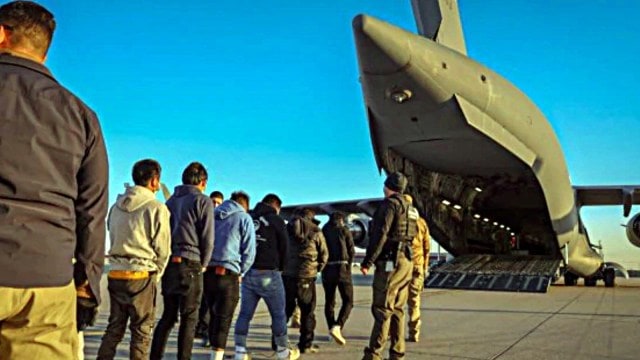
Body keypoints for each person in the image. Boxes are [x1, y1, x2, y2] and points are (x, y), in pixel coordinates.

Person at [0, 2, 108, 359]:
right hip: (47, 279)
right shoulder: (81, 115)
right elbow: (92, 209)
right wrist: (87, 285)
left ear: (2, 34)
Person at [97, 159, 171, 359]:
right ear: (155, 181)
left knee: (114, 329)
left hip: (116, 272)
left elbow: (110, 231)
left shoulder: (116, 206)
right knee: (141, 333)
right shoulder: (157, 207)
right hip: (141, 274)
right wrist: (157, 273)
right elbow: (163, 248)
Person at [150, 162, 214, 360]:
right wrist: (203, 264)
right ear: (203, 182)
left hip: (170, 264)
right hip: (191, 262)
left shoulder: (169, 203)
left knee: (168, 317)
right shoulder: (203, 201)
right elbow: (208, 238)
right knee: (189, 319)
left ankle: (155, 357)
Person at [233, 194, 300, 360]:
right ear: (276, 207)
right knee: (278, 314)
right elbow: (285, 247)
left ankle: (240, 351)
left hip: (249, 273)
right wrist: (282, 269)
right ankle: (283, 351)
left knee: (244, 315)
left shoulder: (248, 217)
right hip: (269, 274)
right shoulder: (276, 221)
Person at [360, 172, 418, 360]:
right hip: (407, 261)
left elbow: (380, 235)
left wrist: (368, 261)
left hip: (390, 262)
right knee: (398, 309)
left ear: (388, 187)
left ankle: (374, 355)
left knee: (382, 308)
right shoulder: (411, 209)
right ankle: (397, 353)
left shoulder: (389, 205)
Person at [204, 191, 256, 360]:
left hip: (208, 273)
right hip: (229, 273)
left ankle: (213, 350)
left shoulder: (211, 215)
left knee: (212, 315)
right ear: (244, 206)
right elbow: (249, 251)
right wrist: (241, 271)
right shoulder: (244, 218)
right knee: (224, 319)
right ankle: (216, 356)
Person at [284, 208, 328, 354]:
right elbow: (324, 254)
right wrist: (316, 269)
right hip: (307, 277)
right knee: (308, 312)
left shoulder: (287, 229)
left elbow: (280, 250)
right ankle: (305, 344)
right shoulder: (316, 231)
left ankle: (277, 342)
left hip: (288, 275)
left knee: (285, 310)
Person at [196, 190, 225, 346]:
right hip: (203, 266)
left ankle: (209, 332)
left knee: (214, 304)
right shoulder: (203, 219)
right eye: (213, 202)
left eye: (218, 203)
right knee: (202, 301)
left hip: (217, 267)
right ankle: (202, 328)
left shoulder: (224, 221)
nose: (215, 205)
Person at [322, 211, 355, 346]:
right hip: (342, 268)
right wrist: (349, 267)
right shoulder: (344, 230)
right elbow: (351, 250)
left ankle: (331, 327)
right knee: (348, 300)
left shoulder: (324, 230)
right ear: (341, 219)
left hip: (328, 269)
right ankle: (337, 326)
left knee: (330, 301)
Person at [403, 194, 430, 343]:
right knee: (414, 301)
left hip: (401, 266)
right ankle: (414, 333)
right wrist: (425, 267)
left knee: (394, 300)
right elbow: (427, 247)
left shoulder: (400, 220)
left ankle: (390, 332)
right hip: (418, 266)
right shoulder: (422, 223)